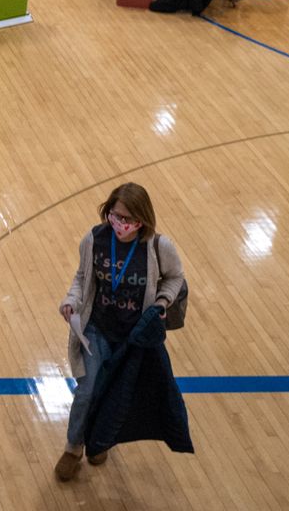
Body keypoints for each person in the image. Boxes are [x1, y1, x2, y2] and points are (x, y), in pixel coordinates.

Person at [54, 182, 188, 482]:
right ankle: (73, 448)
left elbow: (175, 277)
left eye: (127, 218)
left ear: (142, 218)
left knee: (115, 394)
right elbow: (82, 277)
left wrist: (163, 301)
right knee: (87, 390)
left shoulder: (159, 247)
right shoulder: (94, 239)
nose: (119, 223)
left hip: (132, 339)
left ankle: (100, 443)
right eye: (115, 215)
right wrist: (71, 301)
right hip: (96, 331)